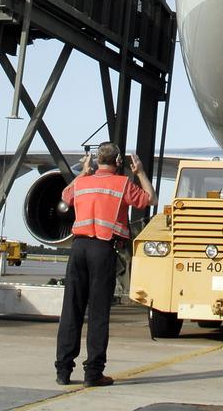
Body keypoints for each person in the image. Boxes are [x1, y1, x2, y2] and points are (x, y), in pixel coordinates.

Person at [55, 144, 155, 387]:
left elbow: (65, 196)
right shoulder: (122, 184)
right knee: (98, 312)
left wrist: (83, 171)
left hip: (78, 249)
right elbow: (150, 199)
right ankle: (93, 373)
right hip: (103, 249)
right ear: (119, 160)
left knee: (72, 309)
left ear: (96, 160)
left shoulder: (82, 182)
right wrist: (140, 172)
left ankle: (63, 371)